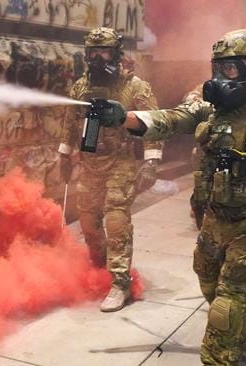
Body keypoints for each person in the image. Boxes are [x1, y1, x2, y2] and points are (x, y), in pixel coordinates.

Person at [101, 29, 246, 365]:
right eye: (218, 67)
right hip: (215, 220)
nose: (221, 77)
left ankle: (225, 342)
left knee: (224, 312)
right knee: (210, 285)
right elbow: (170, 119)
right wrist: (122, 117)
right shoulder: (212, 110)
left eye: (231, 68)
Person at [58, 27, 163, 312]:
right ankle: (98, 268)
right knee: (89, 222)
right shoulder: (80, 87)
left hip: (121, 161)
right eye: (92, 52)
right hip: (90, 162)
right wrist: (64, 157)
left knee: (116, 221)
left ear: (116, 54)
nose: (96, 58)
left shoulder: (135, 87)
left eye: (103, 51)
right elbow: (69, 124)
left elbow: (153, 123)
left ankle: (120, 282)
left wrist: (151, 162)